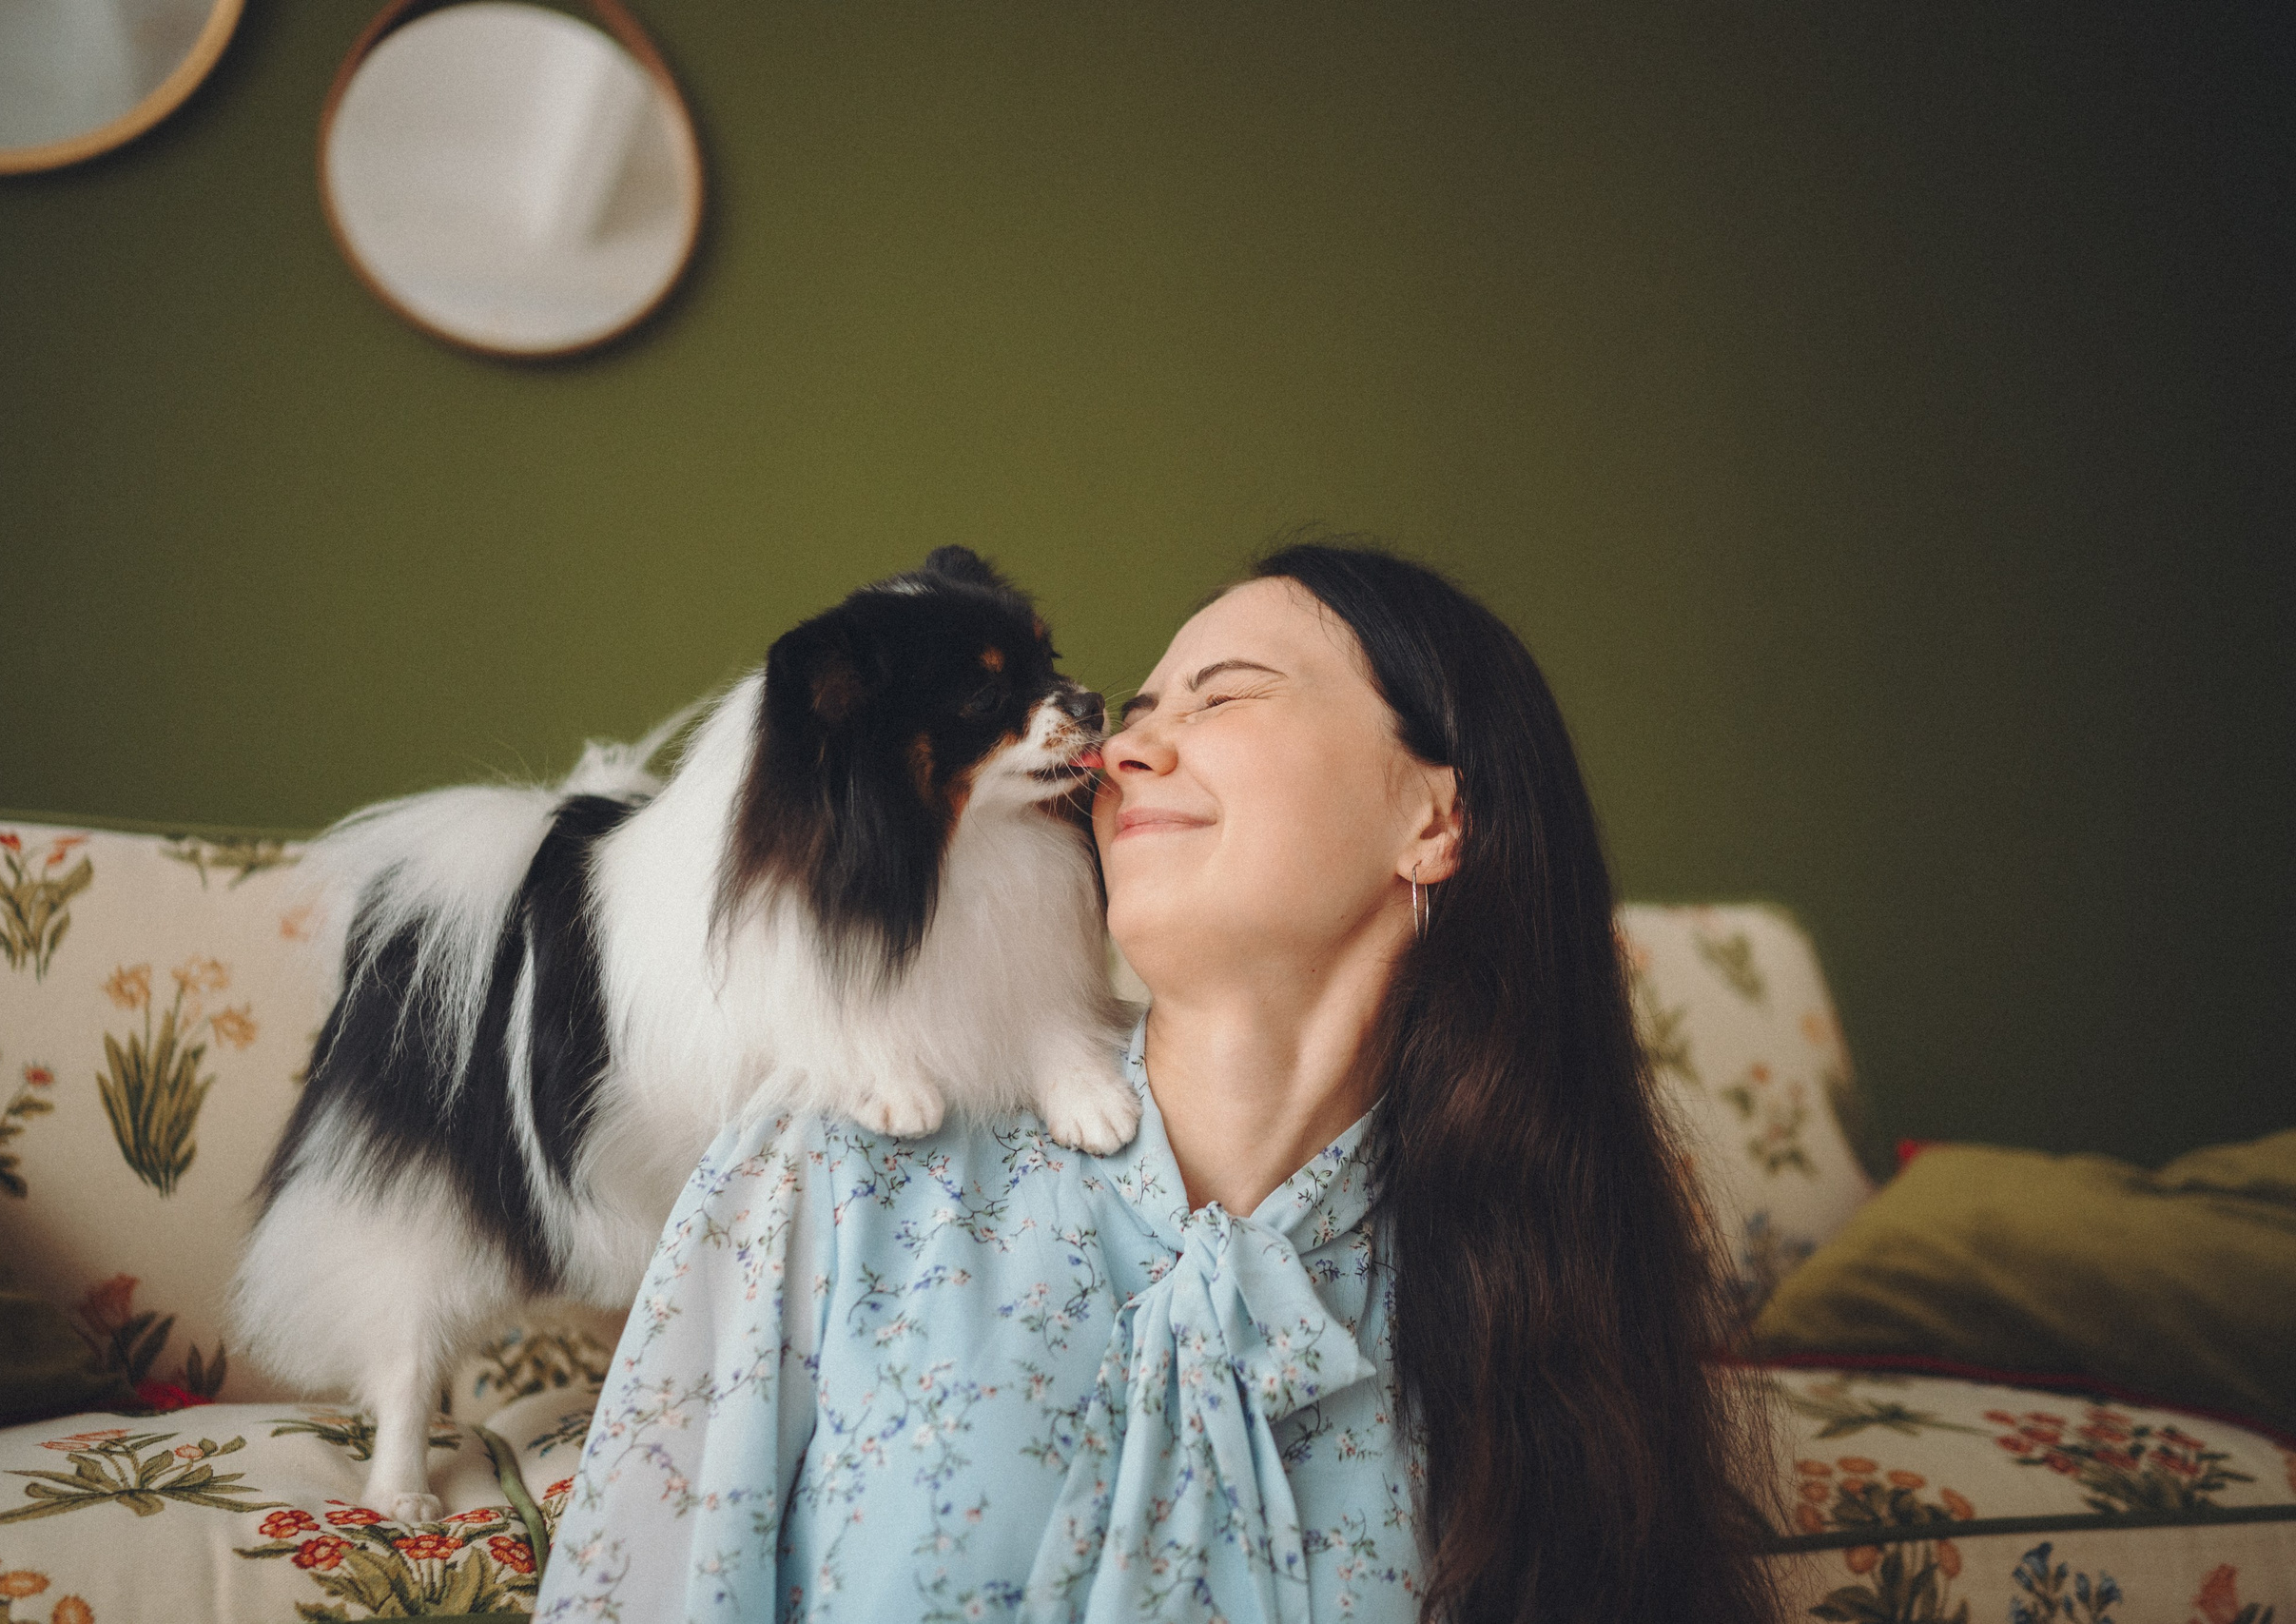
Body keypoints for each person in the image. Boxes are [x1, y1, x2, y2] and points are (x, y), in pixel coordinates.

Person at [534, 540, 1781, 1623]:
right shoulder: (832, 1163)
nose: (1125, 747)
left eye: (1220, 697)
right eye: (1137, 709)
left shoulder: (1541, 1297)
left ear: (1436, 819)